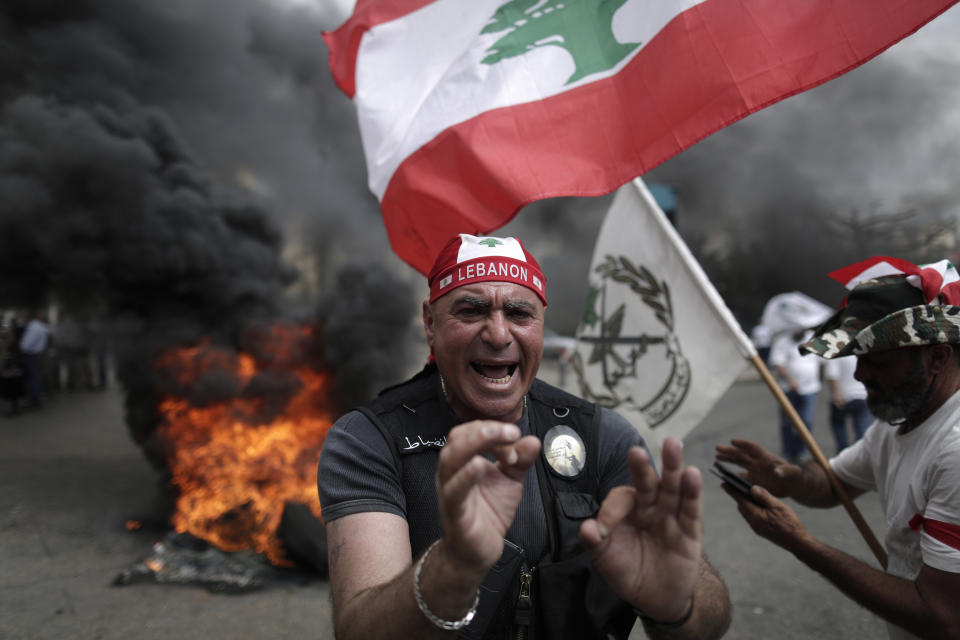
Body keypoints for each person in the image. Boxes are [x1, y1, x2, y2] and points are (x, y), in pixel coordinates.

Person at [317, 234, 731, 639]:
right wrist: (454, 566)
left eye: (519, 313)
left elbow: (708, 622)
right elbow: (359, 629)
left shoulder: (605, 436)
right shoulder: (369, 440)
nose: (498, 334)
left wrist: (676, 609)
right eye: (472, 310)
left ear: (540, 325)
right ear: (430, 322)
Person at [716, 259, 960, 640]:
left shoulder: (955, 450)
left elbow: (942, 615)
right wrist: (788, 476)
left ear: (938, 358)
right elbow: (834, 485)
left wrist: (801, 543)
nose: (860, 375)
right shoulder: (898, 422)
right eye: (858, 359)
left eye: (879, 361)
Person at [768, 327, 822, 463]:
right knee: (787, 422)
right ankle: (788, 451)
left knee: (807, 421)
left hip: (810, 388)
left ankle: (801, 450)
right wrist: (790, 381)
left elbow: (821, 361)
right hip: (788, 389)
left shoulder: (813, 338)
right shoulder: (783, 340)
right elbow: (778, 363)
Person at [823, 355, 872, 453]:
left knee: (839, 425)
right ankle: (861, 454)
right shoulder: (863, 353)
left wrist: (836, 394)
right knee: (862, 428)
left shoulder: (836, 354)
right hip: (862, 395)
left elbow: (832, 374)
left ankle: (844, 452)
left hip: (844, 396)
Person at [18, 309, 50, 409]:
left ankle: (34, 402)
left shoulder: (33, 327)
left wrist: (21, 344)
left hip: (30, 356)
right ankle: (36, 400)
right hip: (37, 355)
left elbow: (26, 345)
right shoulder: (42, 327)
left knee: (32, 379)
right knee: (35, 378)